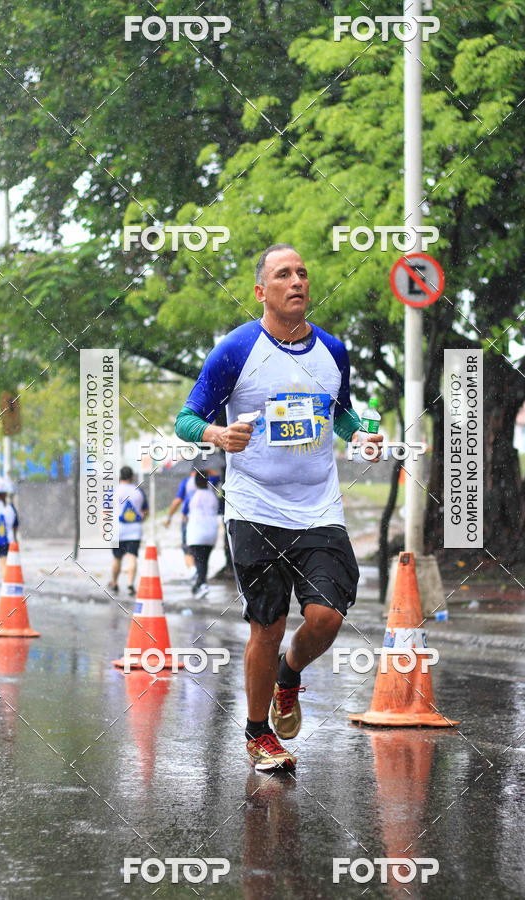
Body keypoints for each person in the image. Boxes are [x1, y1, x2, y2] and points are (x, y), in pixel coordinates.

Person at [175, 243, 384, 771]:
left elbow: (341, 416)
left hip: (319, 509)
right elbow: (186, 420)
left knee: (328, 616)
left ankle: (289, 675)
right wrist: (218, 434)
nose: (296, 282)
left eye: (303, 273)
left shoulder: (333, 351)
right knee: (266, 625)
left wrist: (360, 435)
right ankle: (257, 734)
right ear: (261, 291)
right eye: (283, 274)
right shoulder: (236, 350)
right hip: (254, 509)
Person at [164, 469, 221, 579]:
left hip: (192, 524)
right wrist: (208, 471)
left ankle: (194, 571)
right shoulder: (210, 483)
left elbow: (179, 502)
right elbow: (218, 476)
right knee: (203, 556)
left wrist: (169, 517)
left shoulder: (186, 483)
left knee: (189, 549)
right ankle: (200, 577)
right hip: (210, 526)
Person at [108, 466, 148, 596]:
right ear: (132, 477)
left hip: (117, 530)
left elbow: (105, 512)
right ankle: (130, 584)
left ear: (120, 476)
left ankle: (114, 583)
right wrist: (140, 518)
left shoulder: (113, 491)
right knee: (132, 557)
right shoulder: (139, 491)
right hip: (134, 530)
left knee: (117, 558)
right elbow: (145, 511)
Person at [186, 470, 220, 598]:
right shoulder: (213, 496)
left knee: (199, 560)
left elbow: (184, 511)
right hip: (211, 532)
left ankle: (202, 585)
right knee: (204, 560)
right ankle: (200, 584)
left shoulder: (192, 495)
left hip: (196, 533)